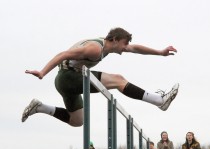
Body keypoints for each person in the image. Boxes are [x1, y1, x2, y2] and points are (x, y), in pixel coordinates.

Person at [21, 27, 179, 126]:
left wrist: (160, 52)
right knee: (118, 80)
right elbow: (63, 54)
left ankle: (39, 107)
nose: (125, 48)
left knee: (77, 121)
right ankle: (159, 101)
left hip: (68, 81)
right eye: (124, 44)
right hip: (67, 77)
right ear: (115, 40)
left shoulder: (108, 46)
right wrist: (42, 72)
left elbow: (136, 48)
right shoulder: (95, 49)